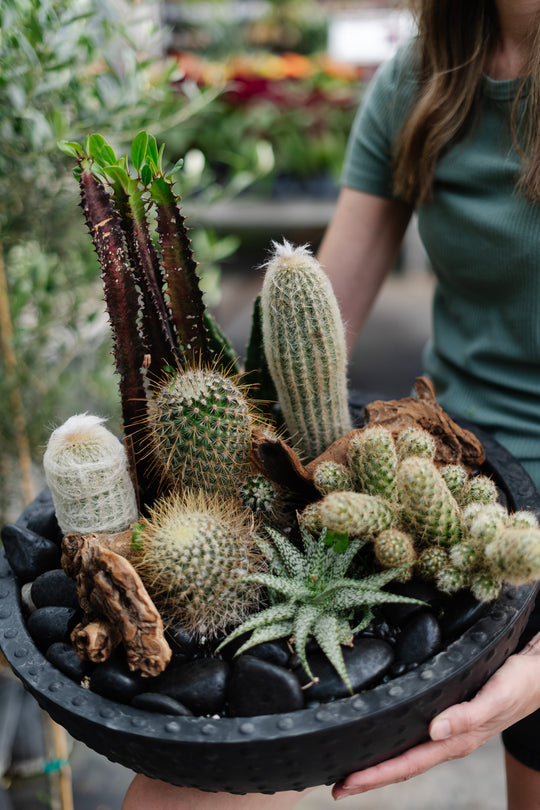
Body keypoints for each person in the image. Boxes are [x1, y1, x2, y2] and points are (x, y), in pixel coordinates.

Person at [122, 0, 540, 806]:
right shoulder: (420, 79)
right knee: (188, 775)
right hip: (432, 482)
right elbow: (312, 337)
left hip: (515, 536)